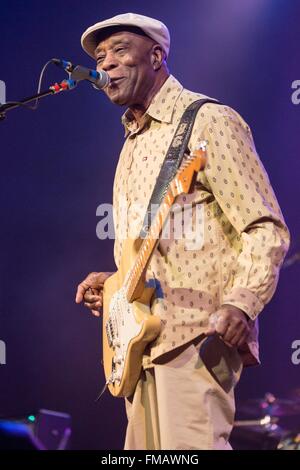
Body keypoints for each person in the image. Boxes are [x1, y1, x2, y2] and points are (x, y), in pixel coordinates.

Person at [75, 13, 290, 450]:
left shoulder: (210, 121)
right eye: (100, 57)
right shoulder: (131, 143)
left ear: (156, 55)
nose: (106, 65)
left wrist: (242, 302)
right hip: (138, 347)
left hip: (196, 332)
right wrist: (115, 285)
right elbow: (152, 246)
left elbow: (264, 225)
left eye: (119, 50)